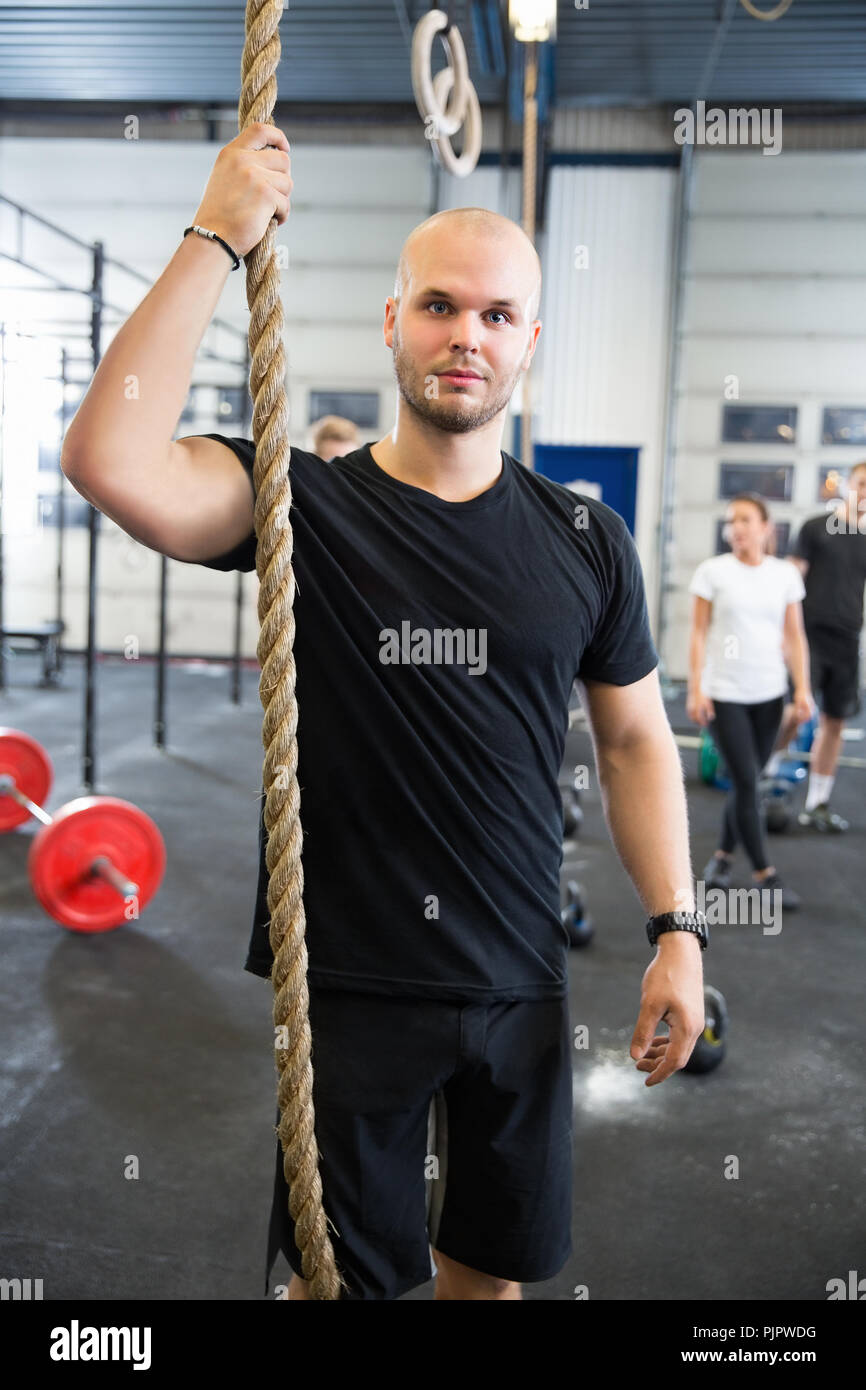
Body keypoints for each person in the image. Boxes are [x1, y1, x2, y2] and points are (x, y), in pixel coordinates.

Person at [60, 122, 707, 1303]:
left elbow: (631, 740)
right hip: (347, 979)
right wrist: (215, 233)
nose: (467, 335)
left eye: (497, 315)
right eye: (440, 306)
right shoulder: (300, 502)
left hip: (519, 976)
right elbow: (110, 458)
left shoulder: (584, 540)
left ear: (529, 342)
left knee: (490, 1283)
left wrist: (677, 928)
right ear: (392, 320)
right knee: (337, 1289)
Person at [687, 493, 813, 909]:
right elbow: (698, 634)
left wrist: (802, 688)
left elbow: (795, 636)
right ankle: (765, 873)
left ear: (765, 527)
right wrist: (695, 688)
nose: (735, 527)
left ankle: (721, 859)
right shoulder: (712, 572)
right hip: (725, 694)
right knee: (745, 781)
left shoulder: (784, 576)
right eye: (730, 521)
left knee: (747, 782)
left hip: (769, 694)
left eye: (744, 519)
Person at [787, 461, 866, 831]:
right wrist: (780, 635)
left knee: (834, 722)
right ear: (848, 485)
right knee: (794, 712)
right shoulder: (816, 528)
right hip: (807, 636)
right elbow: (788, 583)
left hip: (847, 640)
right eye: (862, 484)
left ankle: (817, 803)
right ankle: (766, 780)